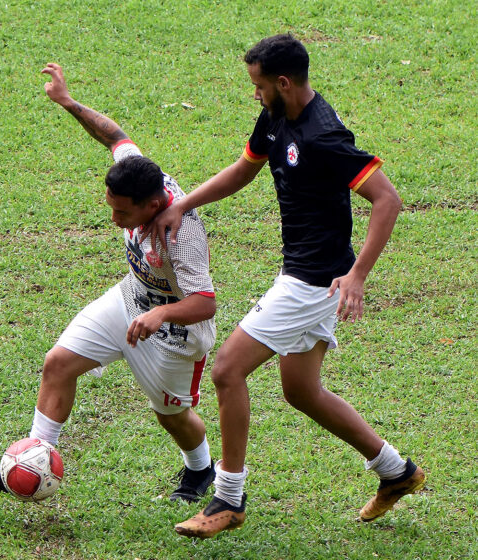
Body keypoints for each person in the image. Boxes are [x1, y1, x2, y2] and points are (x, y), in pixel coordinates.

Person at [141, 34, 424, 538]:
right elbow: (244, 169)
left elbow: (388, 200)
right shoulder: (277, 117)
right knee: (302, 391)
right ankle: (396, 472)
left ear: (283, 82)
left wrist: (358, 274)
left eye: (258, 84)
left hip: (312, 282)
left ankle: (228, 499)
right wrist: (185, 204)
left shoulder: (322, 136)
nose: (255, 93)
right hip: (305, 274)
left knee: (227, 369)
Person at [0, 63, 219, 503]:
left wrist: (161, 312)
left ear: (152, 204)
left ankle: (201, 470)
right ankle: (33, 458)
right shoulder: (138, 175)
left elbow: (206, 302)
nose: (114, 220)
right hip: (129, 301)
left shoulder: (182, 236)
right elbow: (114, 136)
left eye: (123, 214)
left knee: (172, 416)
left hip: (176, 332)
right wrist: (69, 103)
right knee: (58, 363)